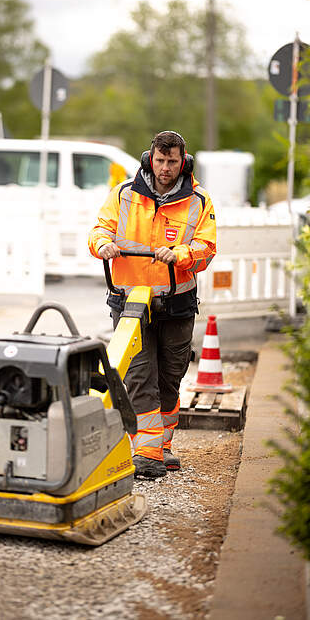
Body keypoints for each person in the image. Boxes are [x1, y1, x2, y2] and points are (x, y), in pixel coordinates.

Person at [88, 131, 216, 479]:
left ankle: (163, 444)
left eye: (172, 161)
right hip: (129, 302)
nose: (165, 168)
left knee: (171, 379)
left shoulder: (199, 201)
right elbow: (100, 228)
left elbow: (206, 249)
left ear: (183, 160)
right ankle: (146, 453)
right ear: (149, 157)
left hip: (176, 304)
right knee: (140, 376)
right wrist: (102, 245)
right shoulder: (124, 194)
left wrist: (180, 255)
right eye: (160, 160)